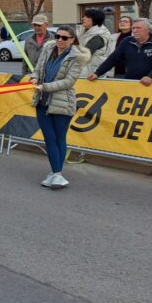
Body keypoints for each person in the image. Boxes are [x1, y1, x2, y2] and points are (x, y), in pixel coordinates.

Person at [31, 26, 90, 188]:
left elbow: (69, 82)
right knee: (49, 138)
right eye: (57, 36)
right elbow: (38, 69)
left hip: (62, 102)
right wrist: (34, 78)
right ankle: (55, 172)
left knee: (59, 138)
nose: (60, 40)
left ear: (72, 40)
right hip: (42, 101)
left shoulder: (77, 57)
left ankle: (57, 173)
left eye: (64, 38)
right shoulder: (48, 49)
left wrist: (45, 87)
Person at [88, 18, 152, 85]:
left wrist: (151, 76)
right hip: (130, 83)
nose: (135, 31)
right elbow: (112, 59)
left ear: (149, 30)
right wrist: (97, 73)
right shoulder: (127, 41)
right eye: (133, 28)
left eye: (138, 28)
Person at [77, 8, 111, 77]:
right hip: (85, 70)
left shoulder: (97, 36)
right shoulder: (84, 31)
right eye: (84, 16)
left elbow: (84, 54)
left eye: (87, 17)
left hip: (92, 73)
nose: (83, 18)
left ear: (95, 20)